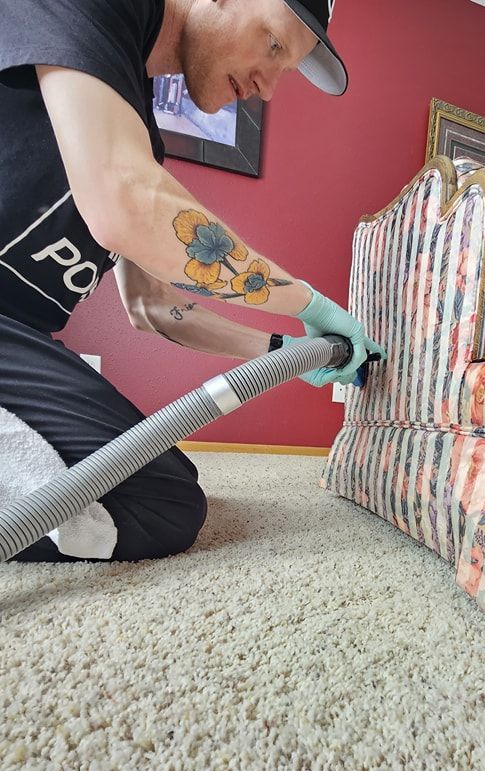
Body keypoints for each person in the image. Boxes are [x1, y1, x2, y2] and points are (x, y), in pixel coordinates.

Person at [0, 0, 386, 563]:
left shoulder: (137, 137)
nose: (269, 87)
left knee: (164, 486)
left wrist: (290, 350)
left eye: (285, 70)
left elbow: (153, 308)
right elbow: (126, 203)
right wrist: (309, 300)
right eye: (274, 45)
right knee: (153, 502)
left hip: (19, 337)